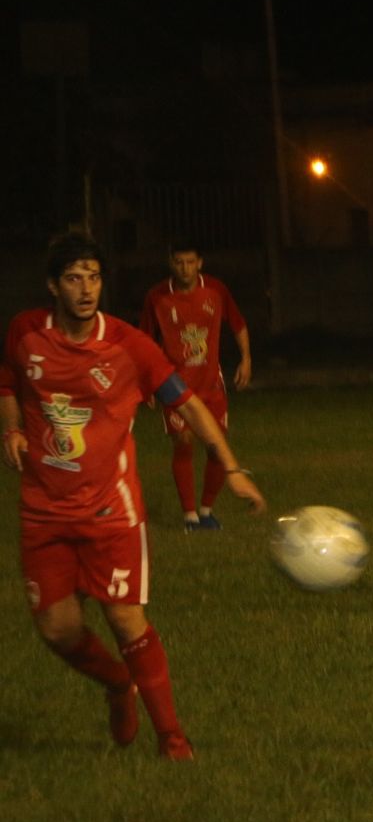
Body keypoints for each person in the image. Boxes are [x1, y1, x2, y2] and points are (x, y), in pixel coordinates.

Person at [0, 233, 266, 760]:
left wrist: (230, 466)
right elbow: (8, 381)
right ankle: (120, 685)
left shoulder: (128, 345)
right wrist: (10, 428)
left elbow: (187, 405)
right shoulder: (25, 332)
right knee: (58, 629)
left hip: (110, 511)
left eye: (94, 277)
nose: (85, 289)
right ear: (53, 285)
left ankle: (172, 737)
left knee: (125, 618)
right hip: (44, 512)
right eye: (74, 278)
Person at [140, 239, 252, 530]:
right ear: (170, 263)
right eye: (179, 262)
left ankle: (206, 511)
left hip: (210, 384)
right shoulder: (157, 296)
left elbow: (238, 323)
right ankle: (189, 515)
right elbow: (144, 341)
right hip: (174, 384)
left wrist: (246, 358)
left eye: (190, 262)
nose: (185, 268)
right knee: (184, 443)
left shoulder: (215, 289)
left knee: (216, 446)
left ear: (200, 262)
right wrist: (146, 382)